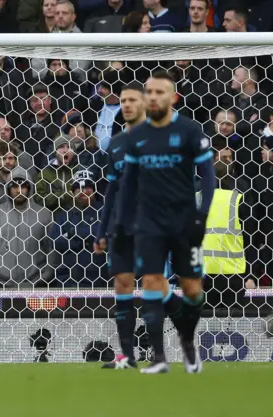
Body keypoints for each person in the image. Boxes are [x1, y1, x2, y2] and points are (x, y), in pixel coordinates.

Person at [115, 71, 216, 374]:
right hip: (149, 224)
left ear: (172, 97)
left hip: (184, 222)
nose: (154, 97)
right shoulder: (136, 137)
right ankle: (159, 358)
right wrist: (122, 223)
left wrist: (202, 216)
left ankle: (186, 338)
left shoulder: (189, 131)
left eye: (160, 92)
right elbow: (129, 184)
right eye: (150, 92)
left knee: (193, 290)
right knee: (151, 282)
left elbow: (208, 176)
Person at [96, 83, 186, 370]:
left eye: (133, 100)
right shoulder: (117, 143)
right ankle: (127, 356)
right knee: (122, 285)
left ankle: (162, 350)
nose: (127, 105)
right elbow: (111, 191)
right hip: (122, 226)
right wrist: (101, 229)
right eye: (123, 101)